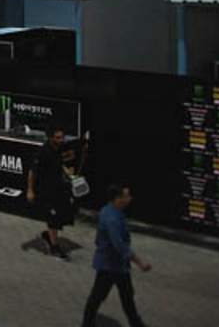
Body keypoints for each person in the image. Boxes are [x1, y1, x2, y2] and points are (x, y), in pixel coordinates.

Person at [81, 184, 151, 327]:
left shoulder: (107, 210)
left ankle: (135, 323)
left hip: (116, 264)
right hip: (110, 265)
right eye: (127, 196)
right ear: (118, 199)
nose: (130, 198)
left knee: (126, 295)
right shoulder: (112, 219)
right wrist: (140, 262)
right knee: (99, 296)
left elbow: (99, 238)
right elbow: (119, 245)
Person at [28, 126, 73, 260]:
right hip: (46, 191)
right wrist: (30, 190)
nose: (61, 139)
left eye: (62, 137)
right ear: (51, 137)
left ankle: (49, 236)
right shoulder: (43, 152)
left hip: (59, 189)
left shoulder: (59, 149)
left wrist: (66, 172)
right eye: (58, 137)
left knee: (59, 216)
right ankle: (54, 247)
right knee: (53, 218)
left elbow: (59, 164)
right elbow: (32, 172)